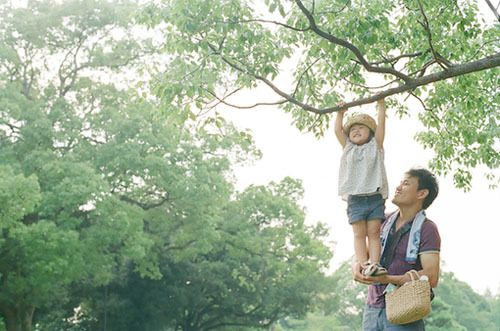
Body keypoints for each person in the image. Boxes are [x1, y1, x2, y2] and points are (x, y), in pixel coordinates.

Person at [353, 168, 441, 331]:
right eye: (400, 183)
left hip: (405, 310)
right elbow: (362, 253)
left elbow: (432, 276)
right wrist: (356, 266)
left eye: (406, 184)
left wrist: (389, 279)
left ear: (422, 193)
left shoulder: (427, 228)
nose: (398, 187)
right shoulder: (382, 220)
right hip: (372, 309)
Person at [334, 97, 389, 276]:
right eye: (353, 129)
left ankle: (375, 264)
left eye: (361, 128)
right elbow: (337, 130)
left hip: (374, 196)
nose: (356, 131)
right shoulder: (348, 148)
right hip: (355, 198)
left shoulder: (376, 145)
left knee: (373, 232)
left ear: (370, 133)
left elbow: (381, 125)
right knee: (359, 233)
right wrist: (340, 114)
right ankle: (364, 264)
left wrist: (381, 104)